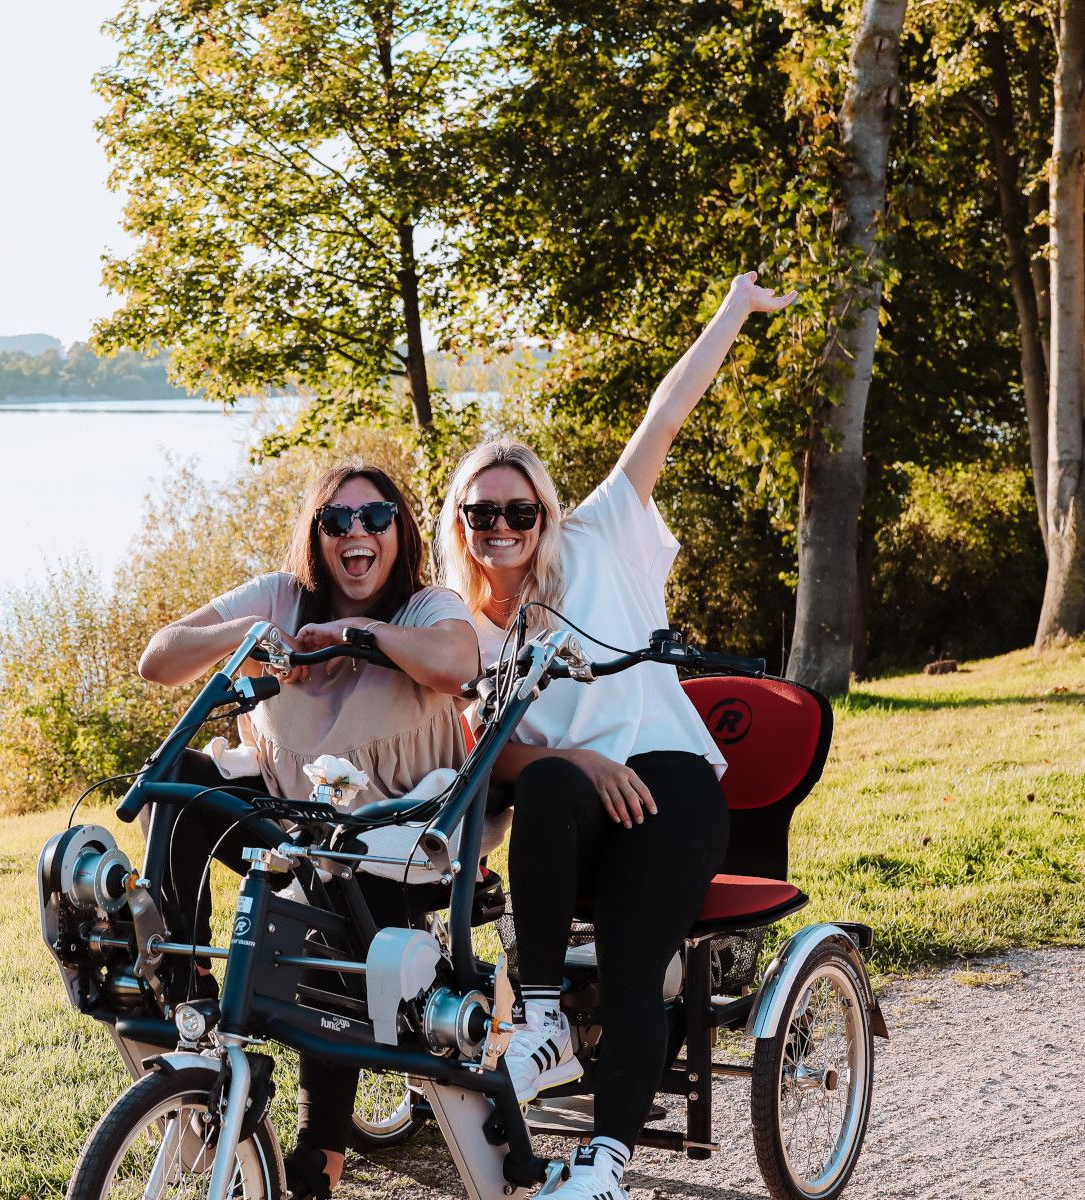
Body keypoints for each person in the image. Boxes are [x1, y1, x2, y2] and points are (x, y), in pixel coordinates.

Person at [435, 272, 796, 1200]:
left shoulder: (602, 537)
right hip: (577, 819)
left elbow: (666, 414)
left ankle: (604, 1166)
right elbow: (493, 755)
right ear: (462, 527)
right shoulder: (467, 634)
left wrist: (732, 310)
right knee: (550, 779)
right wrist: (578, 760)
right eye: (483, 513)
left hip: (671, 790)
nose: (503, 525)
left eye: (520, 509)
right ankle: (545, 1019)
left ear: (547, 514)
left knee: (639, 959)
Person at [137, 459, 478, 1200]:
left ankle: (321, 1150)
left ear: (399, 528)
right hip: (292, 815)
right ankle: (186, 979)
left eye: (375, 517)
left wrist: (357, 632)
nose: (357, 532)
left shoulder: (424, 607)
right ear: (317, 534)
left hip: (394, 843)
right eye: (337, 520)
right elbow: (156, 659)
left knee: (331, 905)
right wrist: (250, 630)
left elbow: (459, 663)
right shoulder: (281, 596)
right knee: (183, 779)